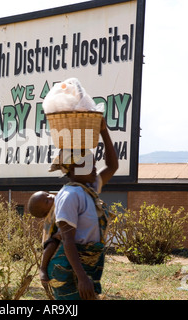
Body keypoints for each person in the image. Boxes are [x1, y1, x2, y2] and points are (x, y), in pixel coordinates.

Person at [47, 118, 118, 300]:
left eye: (93, 163)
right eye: (87, 164)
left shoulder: (89, 190)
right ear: (72, 169)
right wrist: (81, 277)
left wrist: (104, 131)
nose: (94, 168)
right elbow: (68, 240)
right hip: (69, 269)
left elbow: (112, 166)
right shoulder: (70, 195)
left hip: (87, 265)